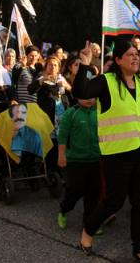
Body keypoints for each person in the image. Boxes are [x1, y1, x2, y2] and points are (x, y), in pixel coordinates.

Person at [73, 40, 140, 263]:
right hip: (117, 154)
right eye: (129, 54)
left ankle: (139, 248)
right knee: (113, 202)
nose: (135, 57)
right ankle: (87, 232)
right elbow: (80, 91)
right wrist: (84, 65)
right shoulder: (105, 82)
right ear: (118, 60)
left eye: (137, 54)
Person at [56, 97, 100, 231]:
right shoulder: (71, 113)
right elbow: (62, 136)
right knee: (75, 190)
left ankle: (89, 224)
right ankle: (64, 210)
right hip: (76, 160)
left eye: (92, 97)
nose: (89, 99)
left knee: (93, 194)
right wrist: (61, 155)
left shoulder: (99, 112)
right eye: (85, 96)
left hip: (96, 159)